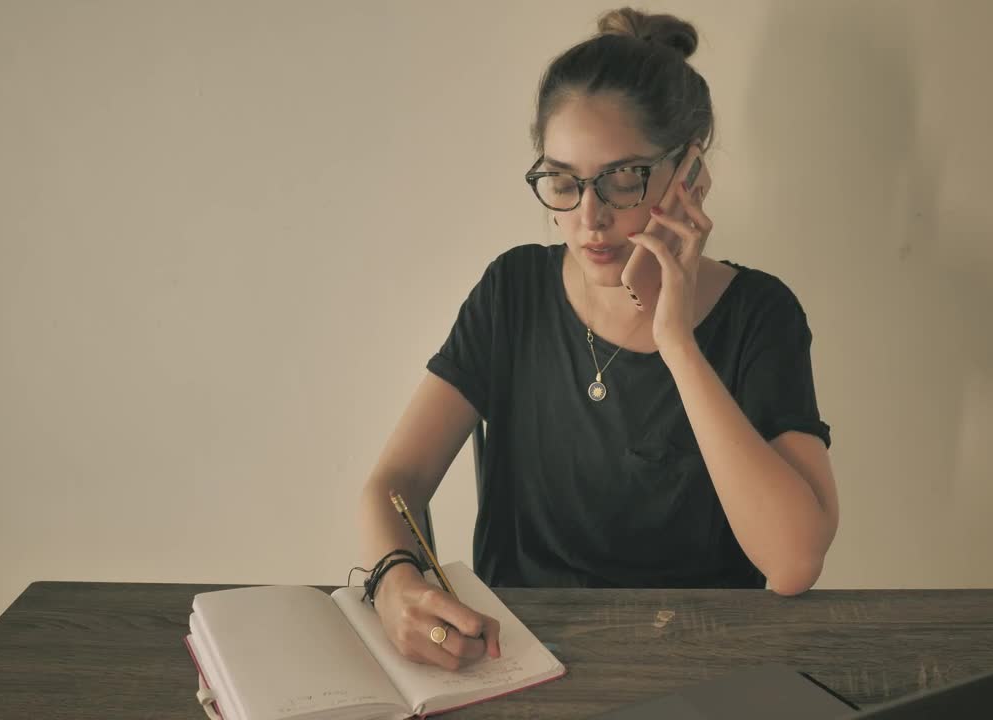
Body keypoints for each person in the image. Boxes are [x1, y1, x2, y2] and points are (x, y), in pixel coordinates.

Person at [356, 7, 838, 671]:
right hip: (516, 660)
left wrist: (676, 340)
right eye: (562, 182)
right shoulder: (513, 290)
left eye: (621, 179)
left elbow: (794, 562)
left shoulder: (761, 316)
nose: (589, 219)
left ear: (689, 171)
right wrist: (395, 583)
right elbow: (395, 481)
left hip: (701, 667)